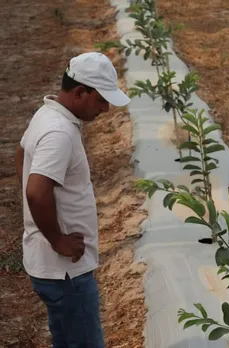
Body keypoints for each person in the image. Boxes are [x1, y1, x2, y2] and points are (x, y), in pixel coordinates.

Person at [15, 52, 131, 347]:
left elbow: (21, 153)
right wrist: (58, 240)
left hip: (53, 268)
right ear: (80, 92)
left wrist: (38, 211)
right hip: (65, 271)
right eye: (101, 100)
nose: (105, 108)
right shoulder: (60, 132)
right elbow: (36, 191)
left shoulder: (47, 114)